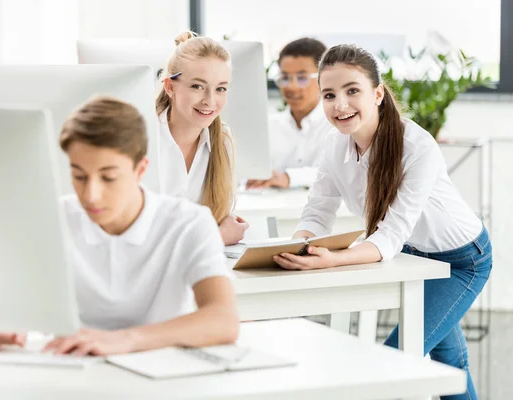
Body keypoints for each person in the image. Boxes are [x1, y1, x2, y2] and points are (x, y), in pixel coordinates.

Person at [273, 44, 491, 400]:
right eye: (329, 94)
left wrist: (333, 259)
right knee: (449, 359)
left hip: (463, 259)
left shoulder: (417, 146)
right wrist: (299, 245)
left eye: (352, 91)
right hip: (415, 256)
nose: (339, 105)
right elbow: (318, 211)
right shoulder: (334, 144)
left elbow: (389, 236)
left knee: (393, 358)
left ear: (377, 93)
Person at [0, 96, 239, 356]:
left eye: (109, 177)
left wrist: (123, 340)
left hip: (162, 375)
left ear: (140, 170)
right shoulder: (51, 219)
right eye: (79, 176)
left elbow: (223, 320)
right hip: (72, 373)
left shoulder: (189, 223)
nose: (91, 195)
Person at [156, 31, 248, 245]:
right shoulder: (142, 139)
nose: (210, 100)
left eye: (220, 89)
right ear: (170, 87)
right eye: (197, 86)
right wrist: (218, 236)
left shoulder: (222, 141)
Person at [246, 37, 334, 189]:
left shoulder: (339, 125)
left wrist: (288, 178)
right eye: (285, 77)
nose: (292, 87)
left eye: (302, 77)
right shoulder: (269, 127)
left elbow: (339, 173)